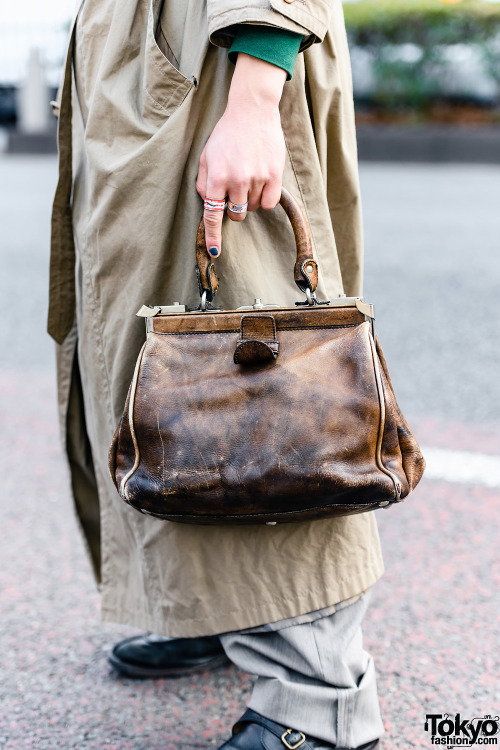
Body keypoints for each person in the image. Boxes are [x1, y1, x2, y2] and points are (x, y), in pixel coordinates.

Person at [49, 1, 385, 747]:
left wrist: (258, 91)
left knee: (262, 385)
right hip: (163, 52)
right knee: (163, 379)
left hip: (220, 54)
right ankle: (214, 606)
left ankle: (317, 703)